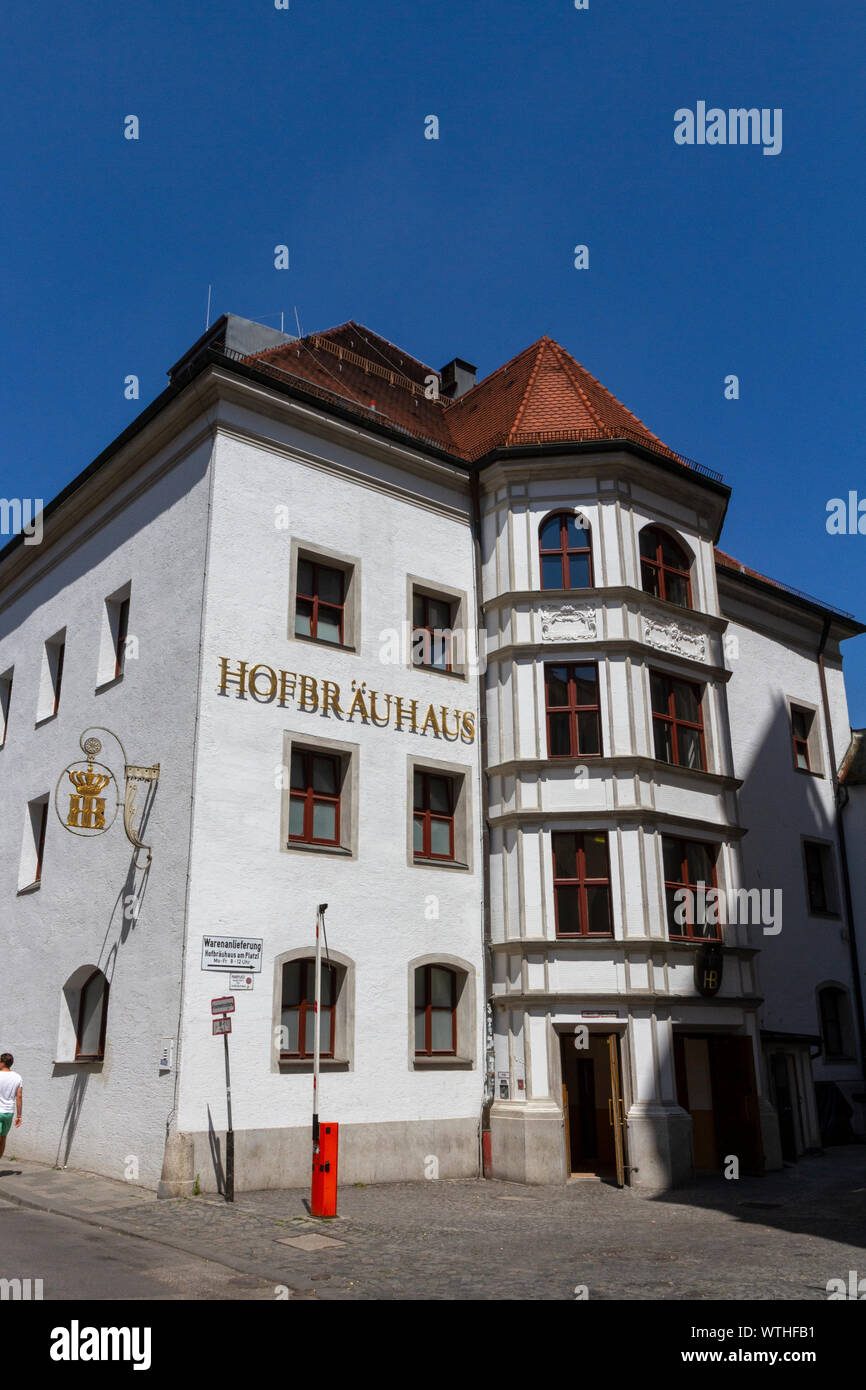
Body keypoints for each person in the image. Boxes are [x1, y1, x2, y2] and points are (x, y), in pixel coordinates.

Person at [0, 1054, 22, 1159]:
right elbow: (19, 1096)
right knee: (3, 1139)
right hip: (8, 1112)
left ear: (2, 1062)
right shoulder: (17, 1077)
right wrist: (19, 1116)